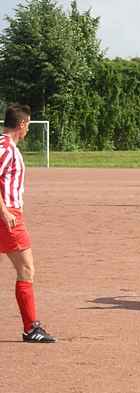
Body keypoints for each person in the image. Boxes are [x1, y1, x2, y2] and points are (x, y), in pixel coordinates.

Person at [0, 104, 55, 342]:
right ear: (22, 124)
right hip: (8, 217)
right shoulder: (6, 148)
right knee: (26, 269)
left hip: (8, 214)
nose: (29, 130)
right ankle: (31, 327)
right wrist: (5, 212)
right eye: (28, 125)